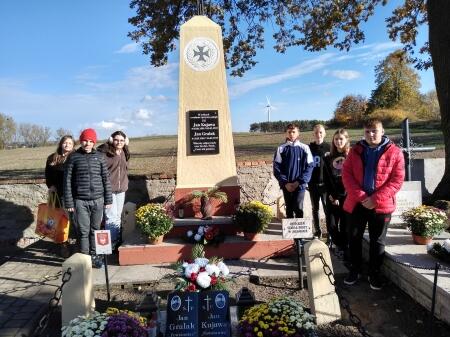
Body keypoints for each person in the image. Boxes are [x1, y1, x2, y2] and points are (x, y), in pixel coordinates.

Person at [342, 118, 404, 290]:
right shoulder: (355, 151)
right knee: (354, 238)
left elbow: (397, 180)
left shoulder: (395, 152)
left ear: (382, 131)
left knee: (378, 242)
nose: (371, 134)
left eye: (374, 131)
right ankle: (355, 270)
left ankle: (374, 273)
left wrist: (375, 199)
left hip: (381, 205)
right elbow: (347, 176)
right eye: (367, 131)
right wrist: (363, 197)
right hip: (357, 204)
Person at [64, 128, 112, 268]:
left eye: (91, 141)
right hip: (80, 201)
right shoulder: (73, 157)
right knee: (83, 231)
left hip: (98, 200)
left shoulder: (100, 157)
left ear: (94, 142)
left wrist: (108, 199)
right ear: (81, 141)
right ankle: (85, 259)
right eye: (85, 140)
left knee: (95, 230)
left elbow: (105, 179)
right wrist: (69, 202)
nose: (87, 143)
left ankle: (95, 256)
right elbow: (67, 181)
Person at [98, 131, 130, 250]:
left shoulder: (124, 151)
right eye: (116, 140)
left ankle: (115, 241)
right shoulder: (105, 152)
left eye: (122, 140)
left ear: (125, 141)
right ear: (111, 140)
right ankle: (111, 243)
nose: (119, 142)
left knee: (117, 216)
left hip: (121, 189)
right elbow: (99, 168)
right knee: (110, 217)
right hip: (108, 190)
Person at [274, 123, 314, 219]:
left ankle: (299, 232)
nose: (291, 134)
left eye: (293, 132)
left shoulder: (305, 148)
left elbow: (310, 166)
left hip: (300, 185)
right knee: (289, 208)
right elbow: (276, 168)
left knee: (298, 207)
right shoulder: (281, 149)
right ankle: (290, 233)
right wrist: (285, 183)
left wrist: (298, 182)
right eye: (289, 132)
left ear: (298, 133)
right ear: (286, 134)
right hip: (286, 185)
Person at [45, 135, 75, 257]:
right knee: (58, 220)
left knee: (71, 221)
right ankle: (63, 245)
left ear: (73, 146)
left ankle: (74, 244)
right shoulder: (52, 158)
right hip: (56, 194)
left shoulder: (75, 157)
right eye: (65, 143)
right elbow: (47, 174)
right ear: (61, 144)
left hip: (70, 194)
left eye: (70, 143)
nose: (67, 145)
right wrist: (50, 185)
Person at [323, 129, 350, 259]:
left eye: (341, 139)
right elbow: (327, 179)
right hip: (331, 196)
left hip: (346, 197)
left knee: (345, 226)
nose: (338, 141)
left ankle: (343, 248)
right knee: (332, 225)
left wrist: (339, 196)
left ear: (346, 140)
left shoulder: (351, 157)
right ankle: (340, 244)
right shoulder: (328, 157)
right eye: (336, 139)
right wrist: (332, 196)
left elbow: (350, 179)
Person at [308, 124, 330, 237]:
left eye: (321, 132)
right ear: (313, 134)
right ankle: (317, 231)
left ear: (324, 133)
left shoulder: (329, 147)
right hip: (313, 184)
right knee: (315, 209)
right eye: (316, 132)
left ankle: (330, 232)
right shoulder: (309, 148)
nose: (318, 134)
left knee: (327, 209)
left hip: (325, 185)